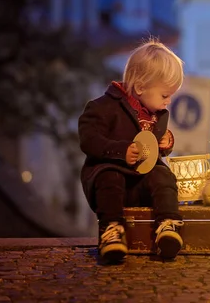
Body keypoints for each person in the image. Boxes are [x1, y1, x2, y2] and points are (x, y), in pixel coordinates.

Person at [78, 39, 184, 263]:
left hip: (141, 181)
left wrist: (165, 144)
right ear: (140, 87)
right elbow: (89, 140)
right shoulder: (102, 108)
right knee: (110, 177)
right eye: (165, 95)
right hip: (112, 180)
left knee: (164, 175)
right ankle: (112, 230)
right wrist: (120, 150)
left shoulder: (155, 112)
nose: (169, 102)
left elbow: (151, 148)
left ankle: (168, 224)